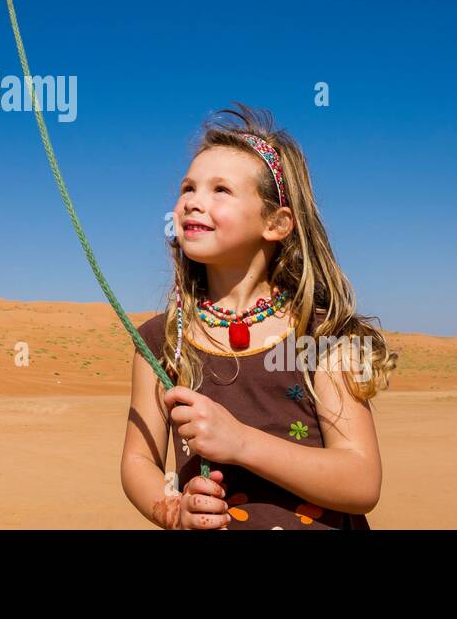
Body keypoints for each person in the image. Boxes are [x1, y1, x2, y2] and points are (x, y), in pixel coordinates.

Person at [120, 102, 397, 530]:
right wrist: (173, 510)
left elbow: (362, 482)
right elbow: (138, 460)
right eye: (188, 188)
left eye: (221, 190)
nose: (193, 202)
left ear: (276, 222)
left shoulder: (321, 335)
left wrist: (240, 442)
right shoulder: (161, 340)